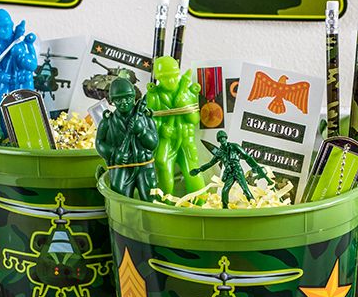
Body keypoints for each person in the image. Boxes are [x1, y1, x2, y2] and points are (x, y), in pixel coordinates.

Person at [145, 56, 204, 195]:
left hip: (185, 138)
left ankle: (200, 199)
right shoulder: (154, 95)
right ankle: (165, 200)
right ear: (158, 78)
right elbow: (149, 120)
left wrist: (184, 103)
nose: (171, 81)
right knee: (162, 164)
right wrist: (160, 128)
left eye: (174, 76)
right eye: (165, 78)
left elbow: (195, 119)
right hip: (166, 140)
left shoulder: (187, 92)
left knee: (192, 169)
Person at [96, 79, 158, 201]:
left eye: (128, 98)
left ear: (134, 97)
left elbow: (153, 144)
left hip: (145, 165)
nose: (124, 103)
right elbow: (99, 143)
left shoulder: (144, 118)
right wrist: (114, 153)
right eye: (119, 100)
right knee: (120, 199)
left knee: (150, 198)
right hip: (121, 167)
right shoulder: (108, 122)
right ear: (112, 101)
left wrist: (142, 132)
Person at [190, 131, 273, 208]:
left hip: (237, 170)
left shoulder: (234, 146)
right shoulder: (219, 153)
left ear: (226, 138)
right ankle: (225, 208)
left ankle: (253, 204)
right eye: (220, 138)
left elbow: (247, 156)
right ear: (218, 140)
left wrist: (255, 166)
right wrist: (199, 170)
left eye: (223, 138)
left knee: (245, 189)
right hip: (229, 173)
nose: (222, 140)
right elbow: (210, 164)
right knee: (224, 190)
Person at [0, 8, 36, 105]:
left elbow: (32, 66)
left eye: (6, 26)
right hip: (4, 84)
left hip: (23, 81)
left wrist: (21, 54)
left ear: (11, 24)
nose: (3, 30)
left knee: (28, 106)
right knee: (2, 105)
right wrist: (0, 76)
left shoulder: (22, 42)